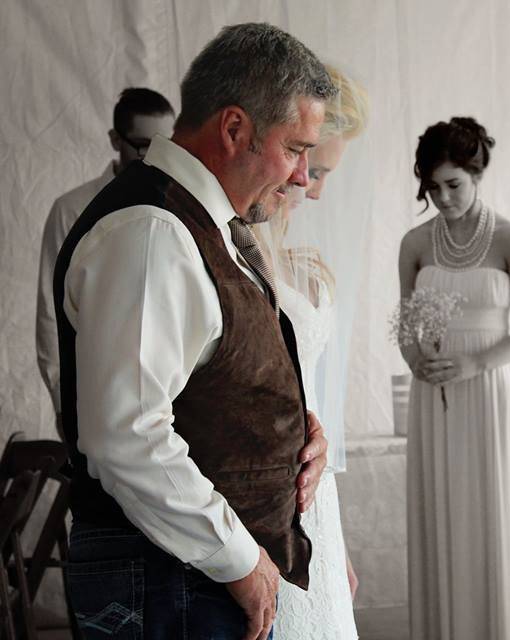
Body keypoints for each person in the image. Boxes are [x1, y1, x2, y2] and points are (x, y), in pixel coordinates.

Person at [54, 23, 334, 639]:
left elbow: (211, 377)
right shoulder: (152, 230)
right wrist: (243, 565)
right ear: (234, 129)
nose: (303, 178)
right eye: (296, 148)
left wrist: (290, 428)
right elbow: (126, 435)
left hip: (186, 579)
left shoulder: (203, 223)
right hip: (170, 581)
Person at [398, 117, 510, 640]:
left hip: (490, 389)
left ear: (477, 173)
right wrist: (415, 359)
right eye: (432, 188)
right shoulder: (415, 243)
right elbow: (407, 324)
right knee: (443, 512)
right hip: (433, 392)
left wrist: (476, 364)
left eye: (453, 184)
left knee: (491, 513)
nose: (442, 197)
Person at [255, 64, 368, 640]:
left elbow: (316, 405)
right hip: (268, 505)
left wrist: (335, 543)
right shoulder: (236, 252)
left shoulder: (304, 268)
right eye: (311, 167)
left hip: (316, 502)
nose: (315, 187)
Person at [36, 87, 174, 438]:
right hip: (94, 399)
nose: (155, 156)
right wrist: (64, 404)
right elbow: (51, 313)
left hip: (171, 403)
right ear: (116, 139)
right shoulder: (71, 209)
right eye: (143, 144)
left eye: (166, 144)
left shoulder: (182, 208)